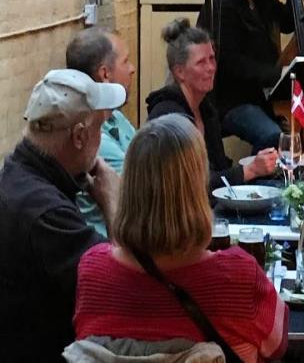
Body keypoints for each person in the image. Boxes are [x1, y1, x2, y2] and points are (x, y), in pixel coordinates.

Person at [70, 114, 288, 363]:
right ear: (197, 190)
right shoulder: (238, 275)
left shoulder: (92, 271)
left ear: (130, 186)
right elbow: (277, 346)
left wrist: (110, 205)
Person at [0, 69, 123, 362]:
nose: (100, 138)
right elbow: (121, 288)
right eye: (100, 128)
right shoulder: (47, 214)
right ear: (79, 136)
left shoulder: (15, 178)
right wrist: (113, 203)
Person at [199, 0, 304, 152]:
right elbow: (231, 64)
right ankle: (256, 173)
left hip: (265, 96)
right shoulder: (220, 7)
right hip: (232, 101)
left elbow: (288, 22)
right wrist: (279, 75)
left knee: (294, 134)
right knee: (273, 137)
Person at [146, 19, 278, 190]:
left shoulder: (206, 110)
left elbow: (219, 169)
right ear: (179, 72)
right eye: (201, 62)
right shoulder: (168, 117)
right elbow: (189, 185)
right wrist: (250, 170)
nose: (211, 68)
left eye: (212, 58)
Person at [67, 27, 136, 237]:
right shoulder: (93, 138)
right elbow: (149, 191)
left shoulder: (116, 117)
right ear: (105, 74)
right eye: (125, 61)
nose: (132, 69)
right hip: (110, 243)